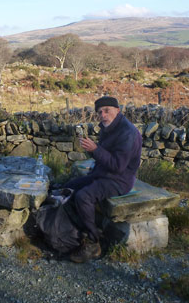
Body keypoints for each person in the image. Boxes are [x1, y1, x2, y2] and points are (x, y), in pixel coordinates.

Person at [64, 96, 142, 263]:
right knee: (67, 187)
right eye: (100, 112)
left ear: (118, 110)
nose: (103, 115)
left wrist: (96, 149)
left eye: (107, 110)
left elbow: (118, 165)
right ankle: (79, 230)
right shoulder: (110, 128)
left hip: (119, 180)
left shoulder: (127, 133)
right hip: (103, 174)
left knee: (83, 196)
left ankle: (93, 243)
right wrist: (91, 149)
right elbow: (105, 157)